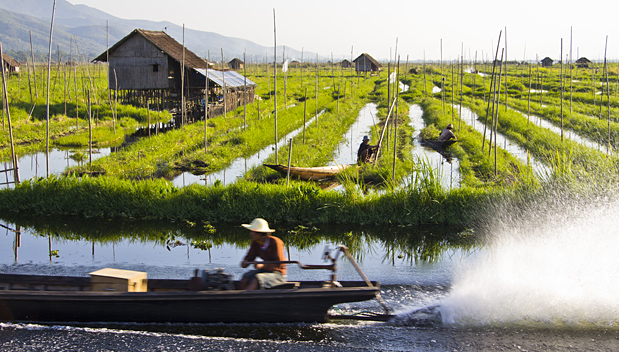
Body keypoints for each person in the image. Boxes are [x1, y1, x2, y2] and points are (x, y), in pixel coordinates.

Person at [240, 218, 287, 290]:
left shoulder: (275, 242)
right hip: (265, 271)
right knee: (246, 277)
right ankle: (239, 295)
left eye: (254, 231)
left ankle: (244, 298)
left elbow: (279, 264)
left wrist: (262, 266)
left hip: (278, 274)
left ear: (261, 233)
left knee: (257, 278)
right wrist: (245, 262)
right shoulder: (255, 242)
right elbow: (249, 257)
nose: (251, 233)